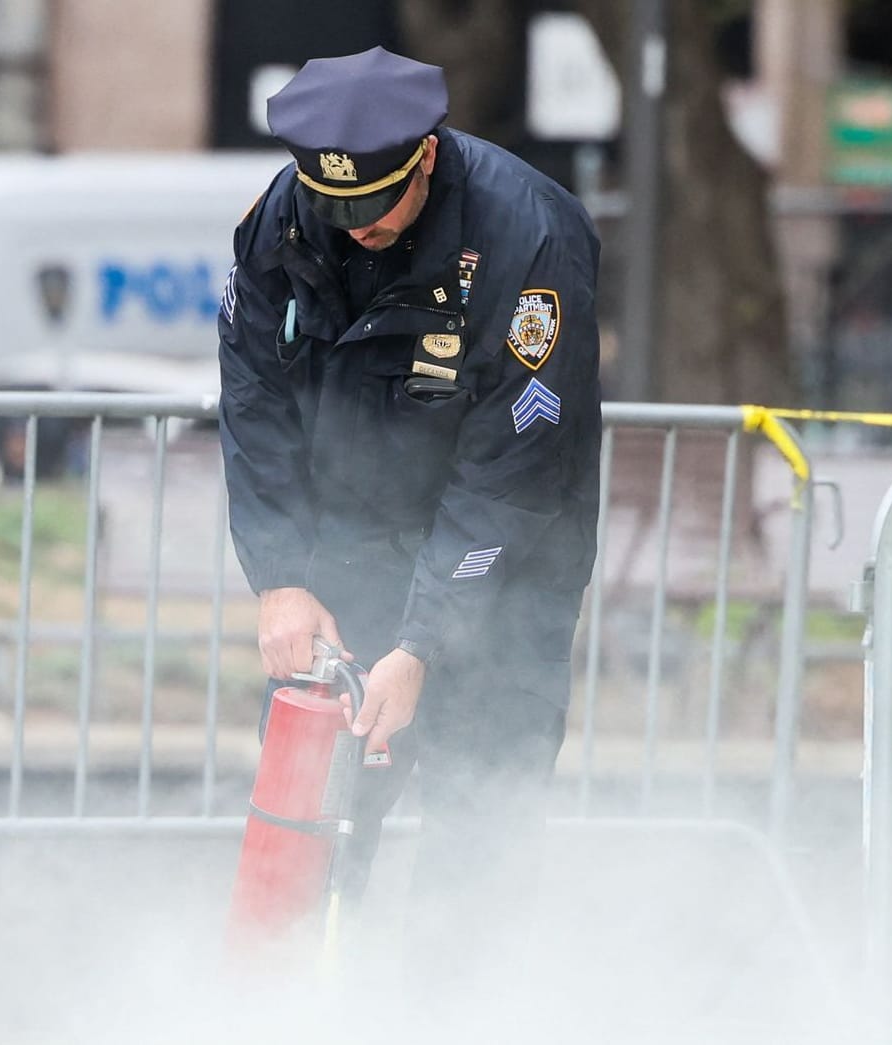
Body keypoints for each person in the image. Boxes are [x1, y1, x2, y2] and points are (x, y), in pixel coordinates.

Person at [217, 46, 602, 1005]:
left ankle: (452, 1016)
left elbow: (514, 465)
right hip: (349, 552)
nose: (355, 230)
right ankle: (278, 1013)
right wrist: (282, 576)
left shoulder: (530, 237)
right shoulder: (288, 212)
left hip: (508, 566)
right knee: (308, 822)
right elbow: (253, 396)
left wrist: (424, 639)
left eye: (375, 205)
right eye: (334, 206)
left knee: (481, 831)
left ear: (425, 158)